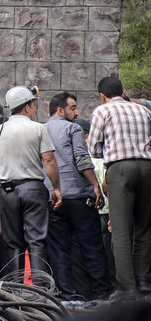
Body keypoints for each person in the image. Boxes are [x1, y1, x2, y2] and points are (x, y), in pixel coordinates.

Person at [87, 76, 151, 298]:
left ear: (102, 96)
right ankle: (144, 283)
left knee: (121, 231)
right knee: (143, 228)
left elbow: (93, 148)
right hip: (147, 167)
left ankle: (127, 288)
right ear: (123, 91)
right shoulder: (143, 111)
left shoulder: (102, 111)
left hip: (120, 170)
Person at [44, 92, 111, 300]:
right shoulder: (72, 128)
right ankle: (102, 293)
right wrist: (95, 186)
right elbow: (82, 159)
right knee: (91, 246)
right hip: (79, 197)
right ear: (60, 110)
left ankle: (67, 295)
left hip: (53, 199)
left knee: (59, 249)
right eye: (73, 108)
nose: (77, 112)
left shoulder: (41, 129)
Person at [0, 85, 62, 282]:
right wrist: (56, 188)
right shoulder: (38, 128)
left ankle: (13, 289)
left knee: (12, 243)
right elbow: (48, 160)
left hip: (8, 191)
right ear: (26, 107)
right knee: (37, 240)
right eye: (33, 104)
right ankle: (40, 289)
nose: (33, 109)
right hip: (32, 189)